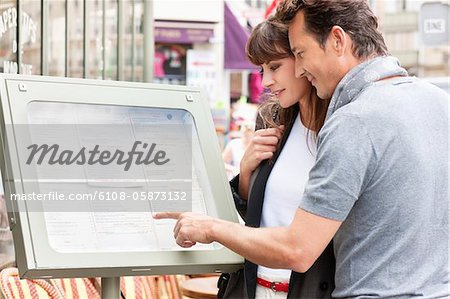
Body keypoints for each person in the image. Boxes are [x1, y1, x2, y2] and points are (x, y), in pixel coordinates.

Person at [155, 1, 449, 298]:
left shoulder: (353, 120)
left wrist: (211, 228)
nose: (301, 67)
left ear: (337, 40)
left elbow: (298, 248)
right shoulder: (439, 102)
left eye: (300, 53)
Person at [220, 17, 333, 299]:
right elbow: (258, 218)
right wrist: (246, 172)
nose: (267, 81)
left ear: (301, 57)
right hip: (252, 288)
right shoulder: (271, 121)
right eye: (261, 69)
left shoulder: (339, 129)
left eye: (275, 66)